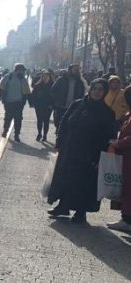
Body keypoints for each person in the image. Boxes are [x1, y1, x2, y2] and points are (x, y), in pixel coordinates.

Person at [47, 78, 115, 224]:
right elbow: (64, 123)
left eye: (100, 90)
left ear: (104, 93)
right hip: (70, 149)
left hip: (89, 155)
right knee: (66, 178)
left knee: (84, 183)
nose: (97, 92)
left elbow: (109, 136)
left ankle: (80, 212)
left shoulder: (107, 113)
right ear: (90, 89)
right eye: (95, 88)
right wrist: (59, 143)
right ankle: (63, 206)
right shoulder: (77, 104)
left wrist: (99, 157)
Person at [106, 86, 131, 233]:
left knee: (128, 189)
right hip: (126, 157)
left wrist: (119, 143)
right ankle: (126, 217)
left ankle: (127, 219)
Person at [0, 63, 32, 142]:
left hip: (13, 103)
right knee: (15, 119)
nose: (23, 72)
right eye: (22, 70)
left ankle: (10, 132)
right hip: (14, 103)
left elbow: (1, 87)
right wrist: (31, 102)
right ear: (18, 70)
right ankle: (12, 133)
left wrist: (1, 97)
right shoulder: (17, 78)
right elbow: (27, 91)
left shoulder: (11, 77)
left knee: (11, 118)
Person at [52, 64, 87, 128]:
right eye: (75, 69)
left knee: (69, 125)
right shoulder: (61, 80)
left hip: (73, 108)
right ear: (70, 70)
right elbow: (53, 91)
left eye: (78, 70)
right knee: (59, 124)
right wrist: (56, 102)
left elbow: (82, 94)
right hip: (61, 106)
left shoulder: (80, 82)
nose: (76, 71)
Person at [30, 70, 55, 142]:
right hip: (39, 106)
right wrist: (34, 104)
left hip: (48, 106)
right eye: (43, 76)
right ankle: (39, 134)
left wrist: (52, 105)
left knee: (46, 121)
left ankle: (45, 135)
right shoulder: (38, 85)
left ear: (50, 77)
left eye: (47, 76)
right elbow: (33, 95)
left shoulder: (53, 85)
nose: (45, 78)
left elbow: (55, 96)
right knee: (39, 120)